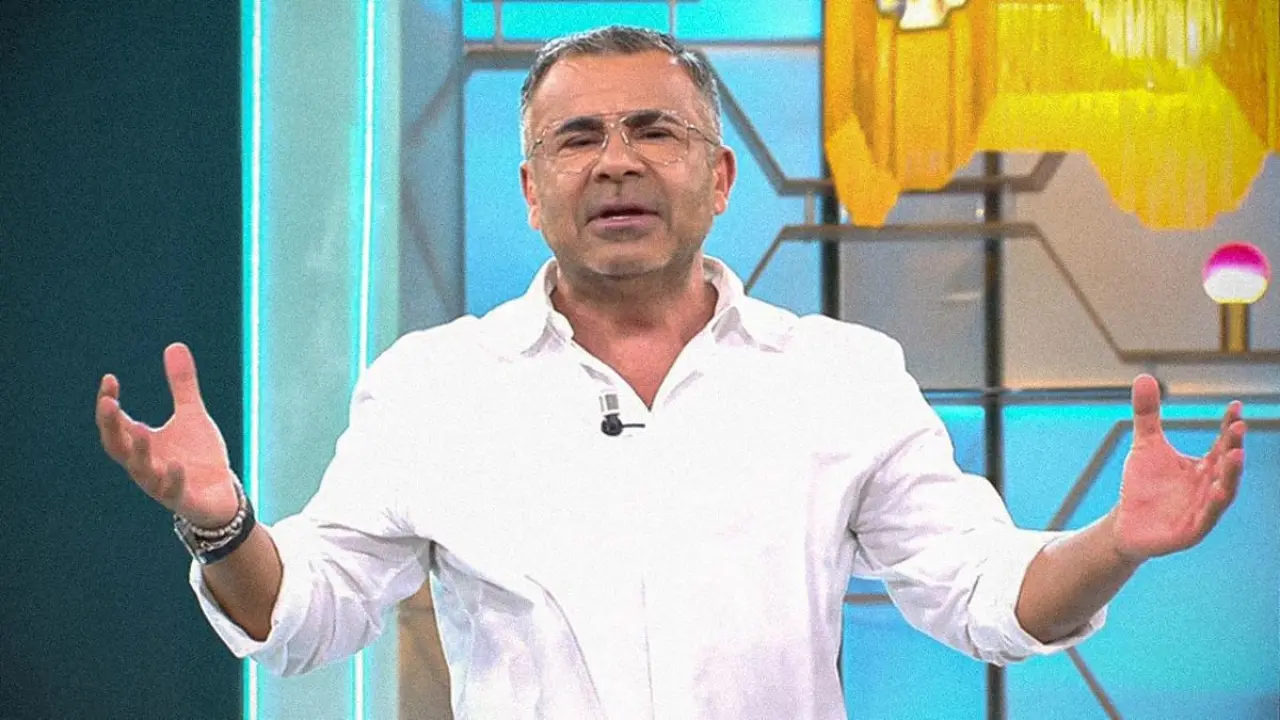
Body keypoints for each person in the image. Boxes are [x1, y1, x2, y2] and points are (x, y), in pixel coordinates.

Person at [95, 25, 1247, 720]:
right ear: (530, 190)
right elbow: (303, 617)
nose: (616, 163)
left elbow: (981, 595)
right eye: (576, 139)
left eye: (654, 131)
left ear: (720, 177)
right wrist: (221, 524)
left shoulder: (838, 376)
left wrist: (1115, 543)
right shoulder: (433, 388)